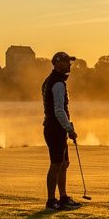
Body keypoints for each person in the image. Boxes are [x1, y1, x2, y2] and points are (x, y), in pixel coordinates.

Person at [41, 51, 81, 209]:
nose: (69, 64)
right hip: (55, 128)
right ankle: (51, 201)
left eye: (69, 62)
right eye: (66, 62)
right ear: (57, 64)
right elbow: (58, 110)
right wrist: (69, 128)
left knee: (64, 163)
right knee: (56, 164)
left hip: (55, 128)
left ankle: (63, 197)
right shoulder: (57, 83)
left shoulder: (51, 81)